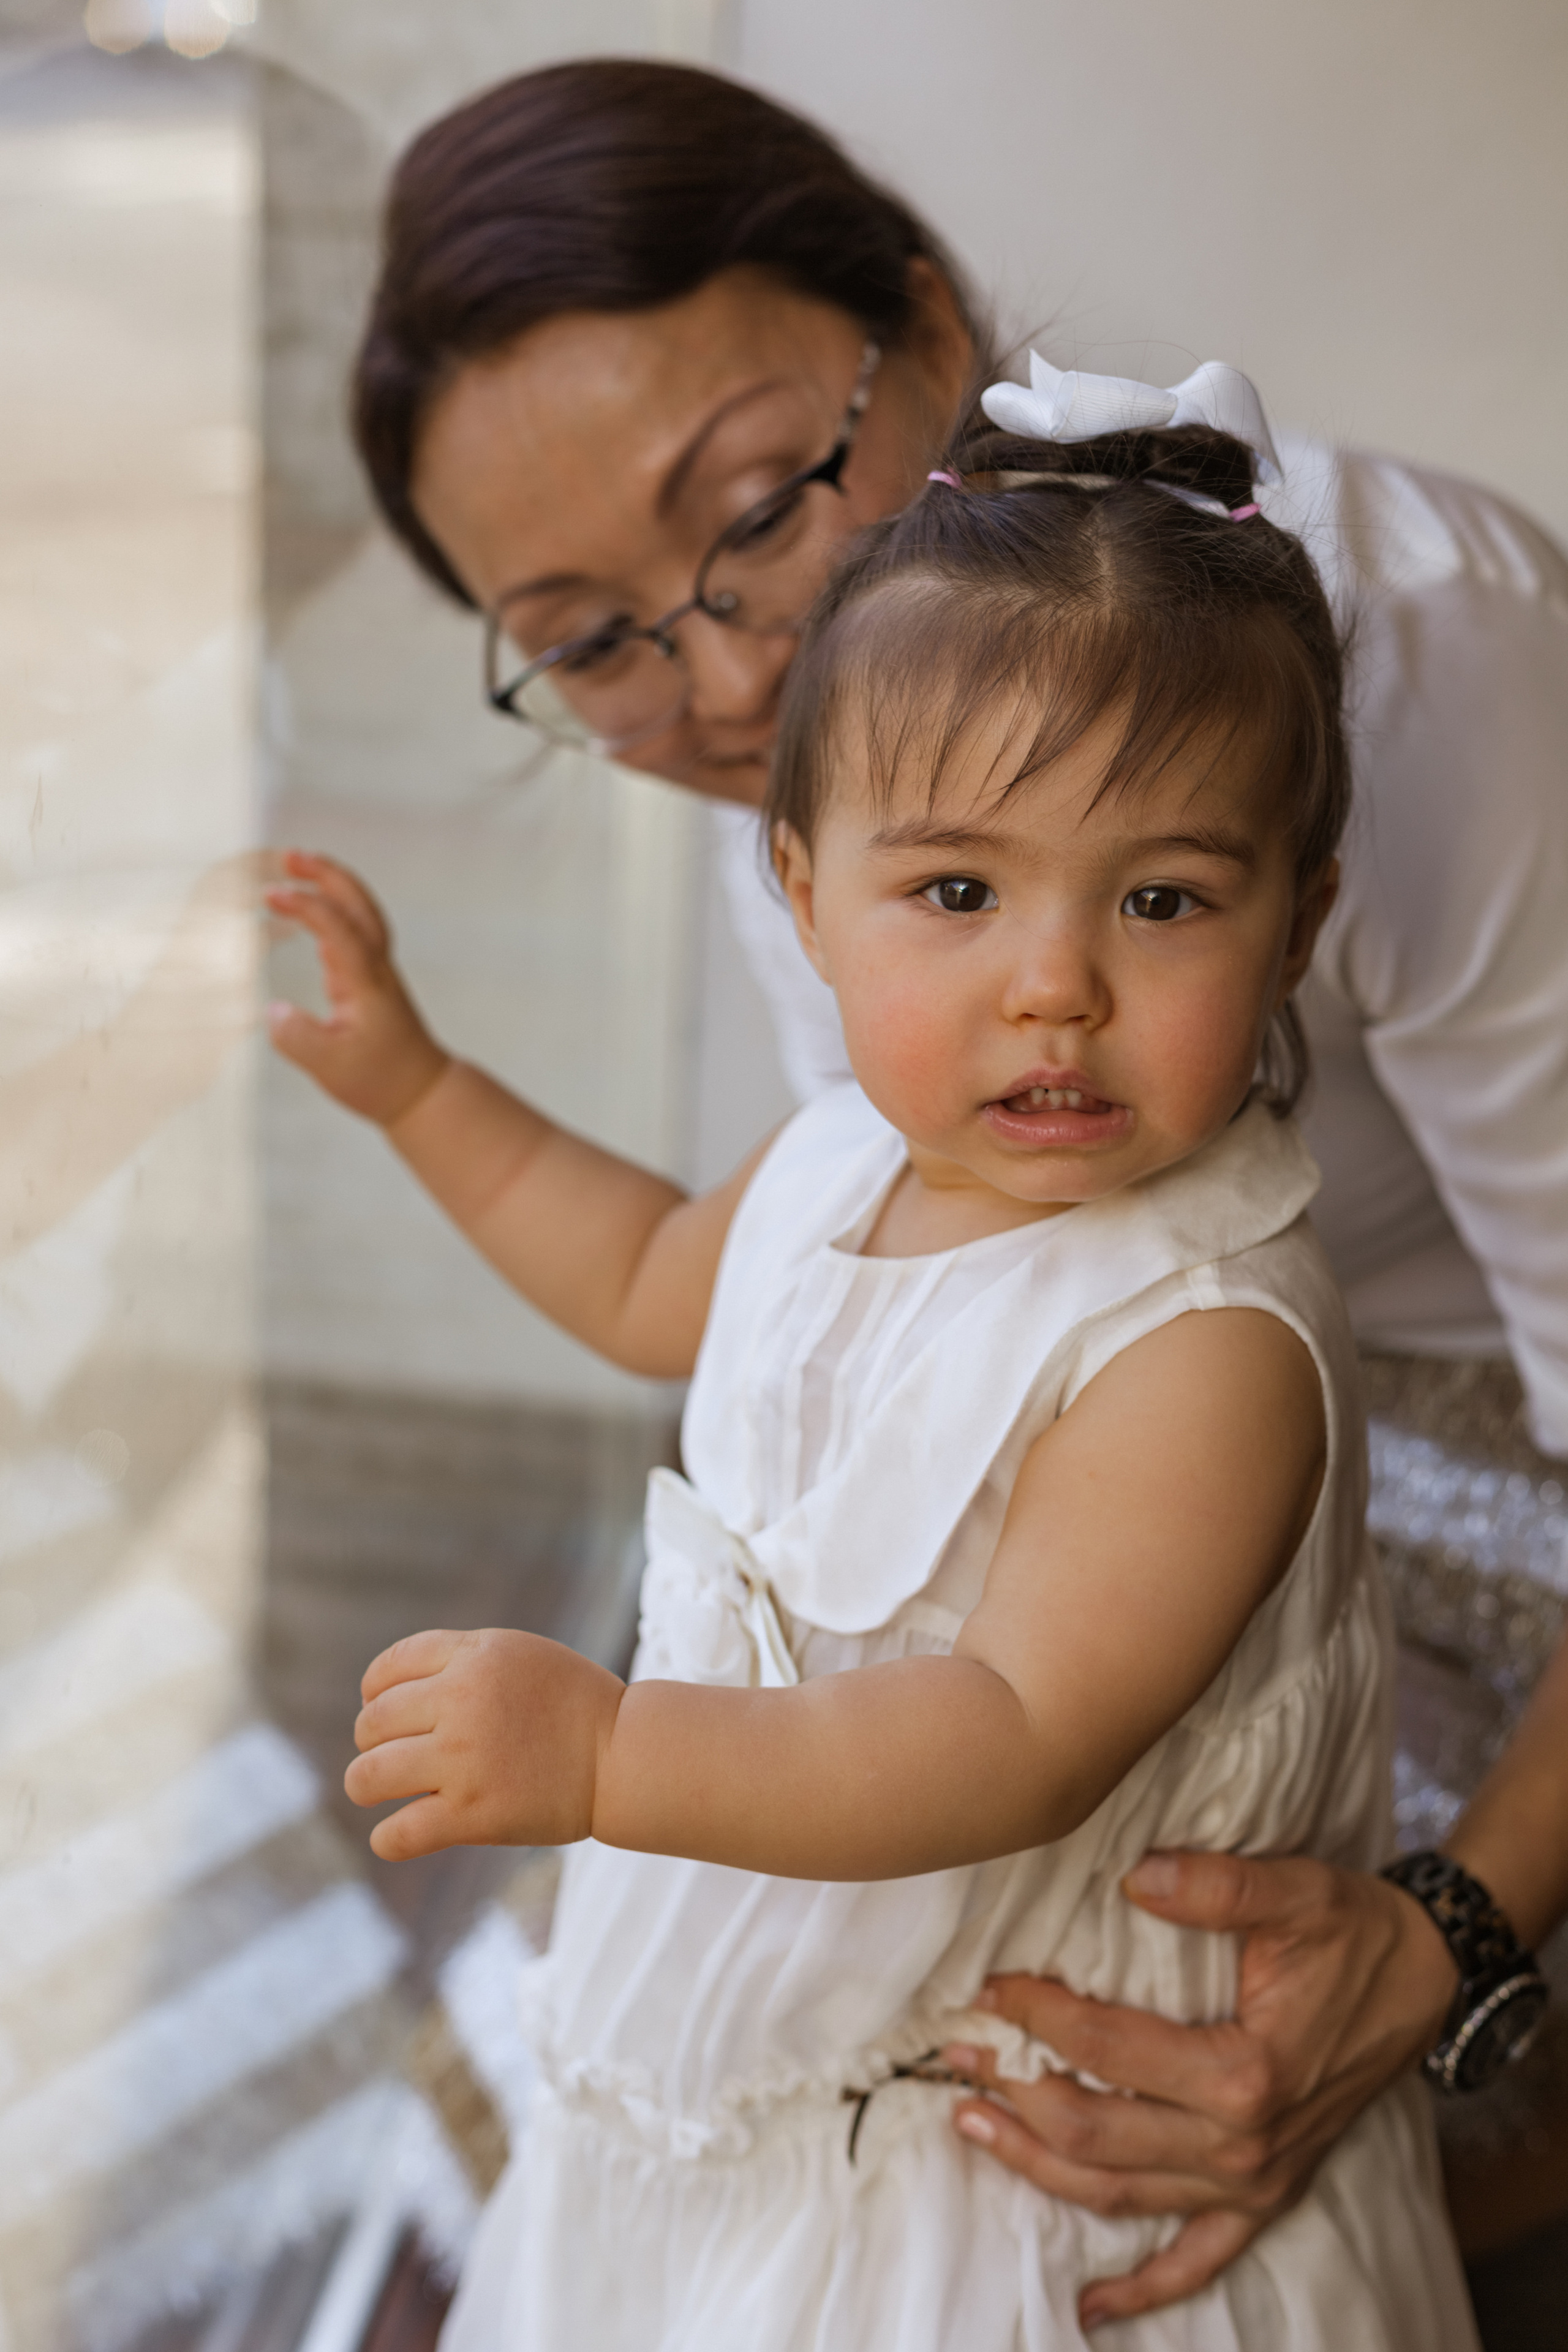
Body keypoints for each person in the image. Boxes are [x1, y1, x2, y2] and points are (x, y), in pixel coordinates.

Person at [339, 58, 1568, 2322]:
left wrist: (1450, 1935)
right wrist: (407, 1078)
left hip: (1409, 1522)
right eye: (595, 635)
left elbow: (1006, 1730)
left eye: (752, 510)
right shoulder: (854, 991)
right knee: (569, 2111)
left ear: (921, 324)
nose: (723, 670)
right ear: (816, 889)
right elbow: (650, 1275)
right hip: (868, 1766)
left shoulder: (1207, 1332)